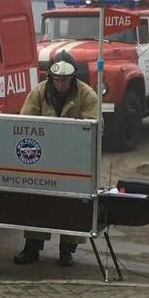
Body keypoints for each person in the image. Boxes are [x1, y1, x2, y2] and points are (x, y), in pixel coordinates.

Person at [13, 50, 99, 267]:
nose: (62, 85)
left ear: (73, 78)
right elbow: (25, 121)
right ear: (51, 77)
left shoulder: (87, 94)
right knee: (37, 201)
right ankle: (32, 248)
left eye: (66, 80)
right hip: (43, 158)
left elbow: (95, 127)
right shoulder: (39, 92)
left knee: (73, 205)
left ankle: (67, 251)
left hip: (75, 160)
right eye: (58, 80)